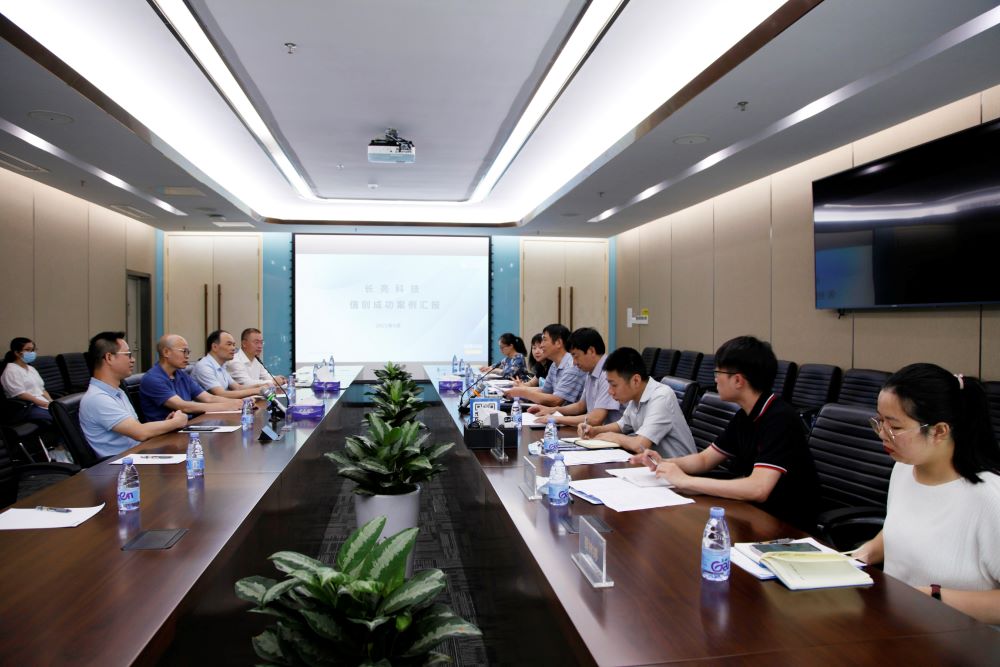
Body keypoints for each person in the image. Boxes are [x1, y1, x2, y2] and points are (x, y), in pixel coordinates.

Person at [853, 363, 1000, 626]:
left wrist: (932, 597)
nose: (882, 434)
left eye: (895, 427)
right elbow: (903, 528)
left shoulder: (989, 498)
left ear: (940, 431)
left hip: (959, 640)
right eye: (880, 421)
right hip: (899, 624)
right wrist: (860, 556)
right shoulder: (903, 469)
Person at [632, 336, 819, 531]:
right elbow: (705, 460)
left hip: (786, 525)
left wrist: (686, 481)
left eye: (718, 372)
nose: (714, 379)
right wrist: (663, 463)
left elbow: (759, 488)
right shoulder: (745, 415)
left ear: (738, 380)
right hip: (752, 513)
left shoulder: (779, 418)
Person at [79, 331, 188, 458]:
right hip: (120, 465)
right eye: (128, 355)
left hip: (137, 454)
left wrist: (166, 423)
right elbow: (140, 433)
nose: (133, 360)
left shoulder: (117, 392)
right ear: (109, 357)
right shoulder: (98, 398)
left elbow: (136, 429)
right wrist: (176, 422)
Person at [578, 346, 694, 455]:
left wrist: (612, 436)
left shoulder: (661, 397)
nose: (610, 391)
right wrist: (595, 430)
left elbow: (640, 445)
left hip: (679, 467)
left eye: (614, 385)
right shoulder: (636, 396)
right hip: (654, 464)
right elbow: (622, 425)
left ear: (636, 380)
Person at [530, 327, 621, 427]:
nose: (574, 362)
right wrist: (553, 410)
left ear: (591, 351)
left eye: (576, 356)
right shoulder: (591, 371)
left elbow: (596, 419)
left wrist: (555, 419)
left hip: (614, 433)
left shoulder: (607, 373)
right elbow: (581, 406)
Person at [140, 334, 244, 421]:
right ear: (166, 352)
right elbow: (184, 406)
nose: (187, 356)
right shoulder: (153, 379)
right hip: (165, 434)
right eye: (183, 351)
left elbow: (209, 398)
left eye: (188, 352)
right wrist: (227, 406)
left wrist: (240, 403)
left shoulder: (181, 374)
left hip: (186, 426)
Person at [504, 324, 584, 407]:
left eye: (544, 340)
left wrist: (522, 392)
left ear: (558, 343)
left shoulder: (572, 365)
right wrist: (519, 391)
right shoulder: (554, 364)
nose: (541, 345)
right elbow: (545, 391)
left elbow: (556, 401)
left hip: (566, 413)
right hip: (555, 411)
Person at [192, 330, 268, 399]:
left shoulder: (222, 366)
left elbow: (237, 387)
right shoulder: (204, 366)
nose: (233, 348)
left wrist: (260, 386)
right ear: (214, 347)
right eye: (229, 344)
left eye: (234, 345)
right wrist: (256, 390)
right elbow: (221, 394)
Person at [1, 337, 53, 424]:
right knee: (57, 418)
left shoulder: (31, 368)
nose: (32, 353)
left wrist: (51, 401)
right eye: (28, 350)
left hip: (42, 403)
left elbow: (42, 389)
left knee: (64, 413)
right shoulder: (11, 370)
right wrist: (44, 404)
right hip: (26, 406)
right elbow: (21, 394)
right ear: (17, 353)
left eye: (33, 350)